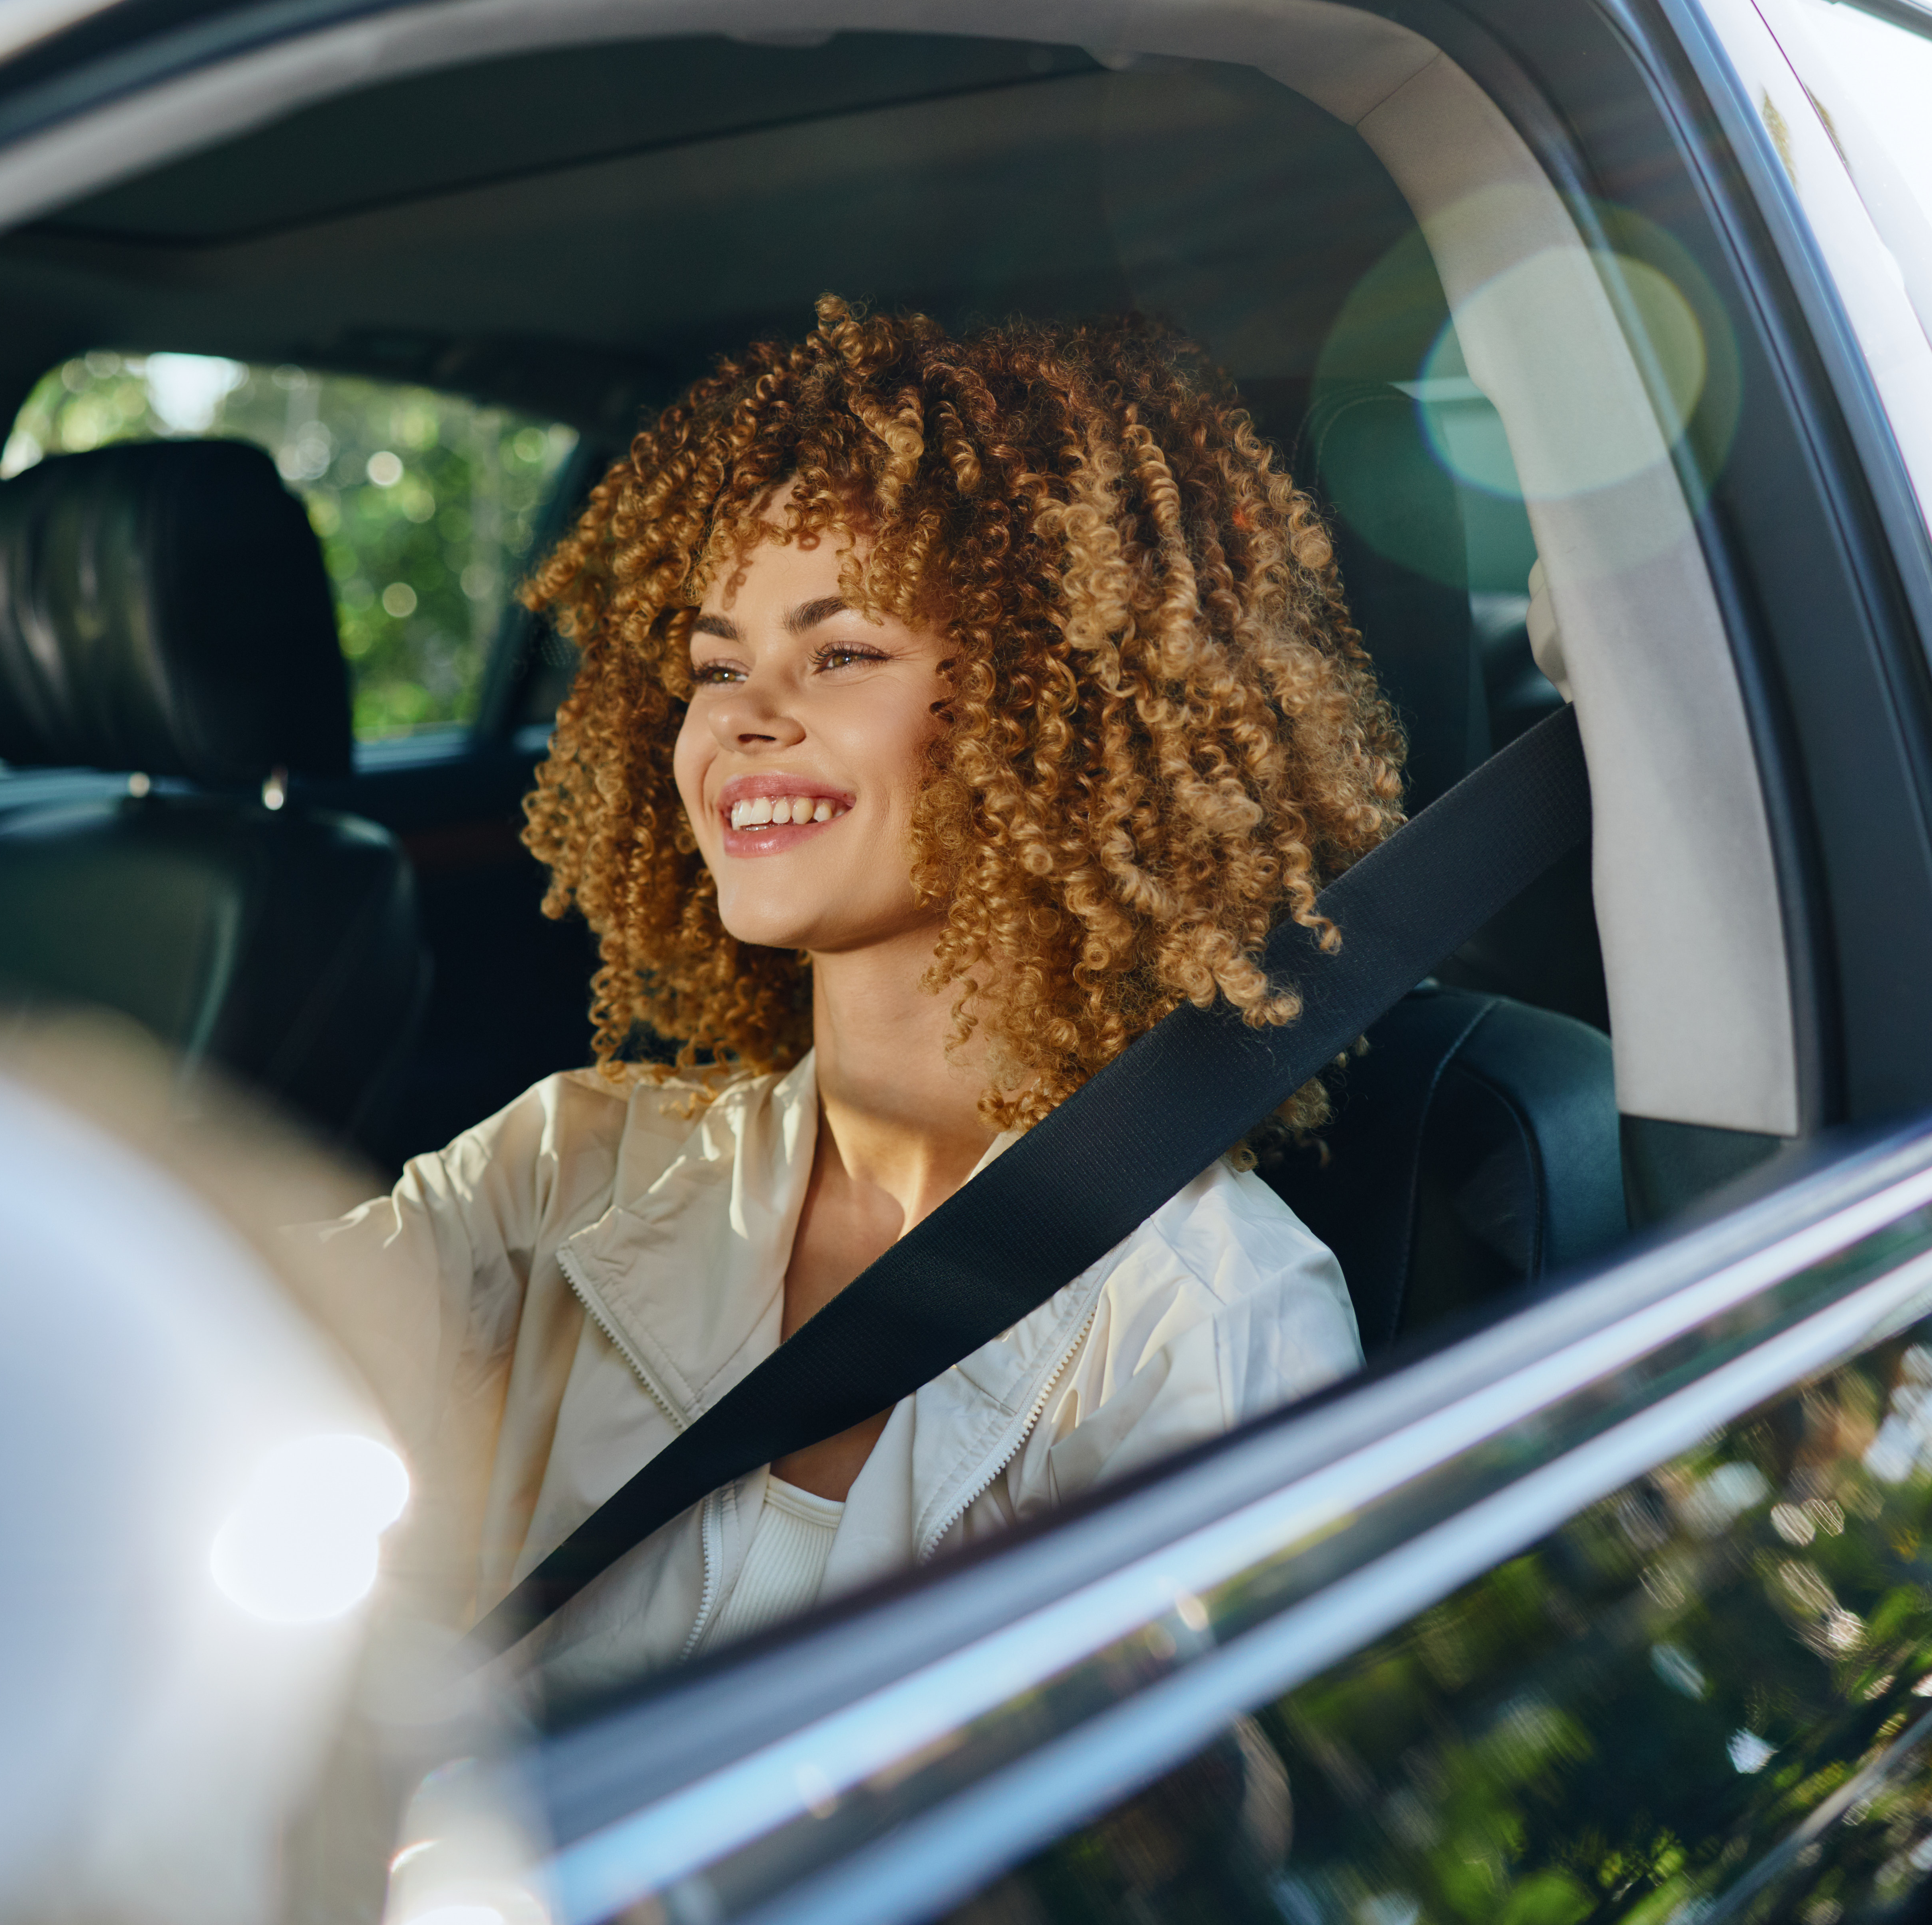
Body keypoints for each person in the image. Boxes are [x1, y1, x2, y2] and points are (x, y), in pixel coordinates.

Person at [314, 298, 1395, 1691]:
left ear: (1040, 698)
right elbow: (194, 1344)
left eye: (841, 654)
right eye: (717, 665)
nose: (745, 716)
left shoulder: (1209, 1313)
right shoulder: (566, 1165)